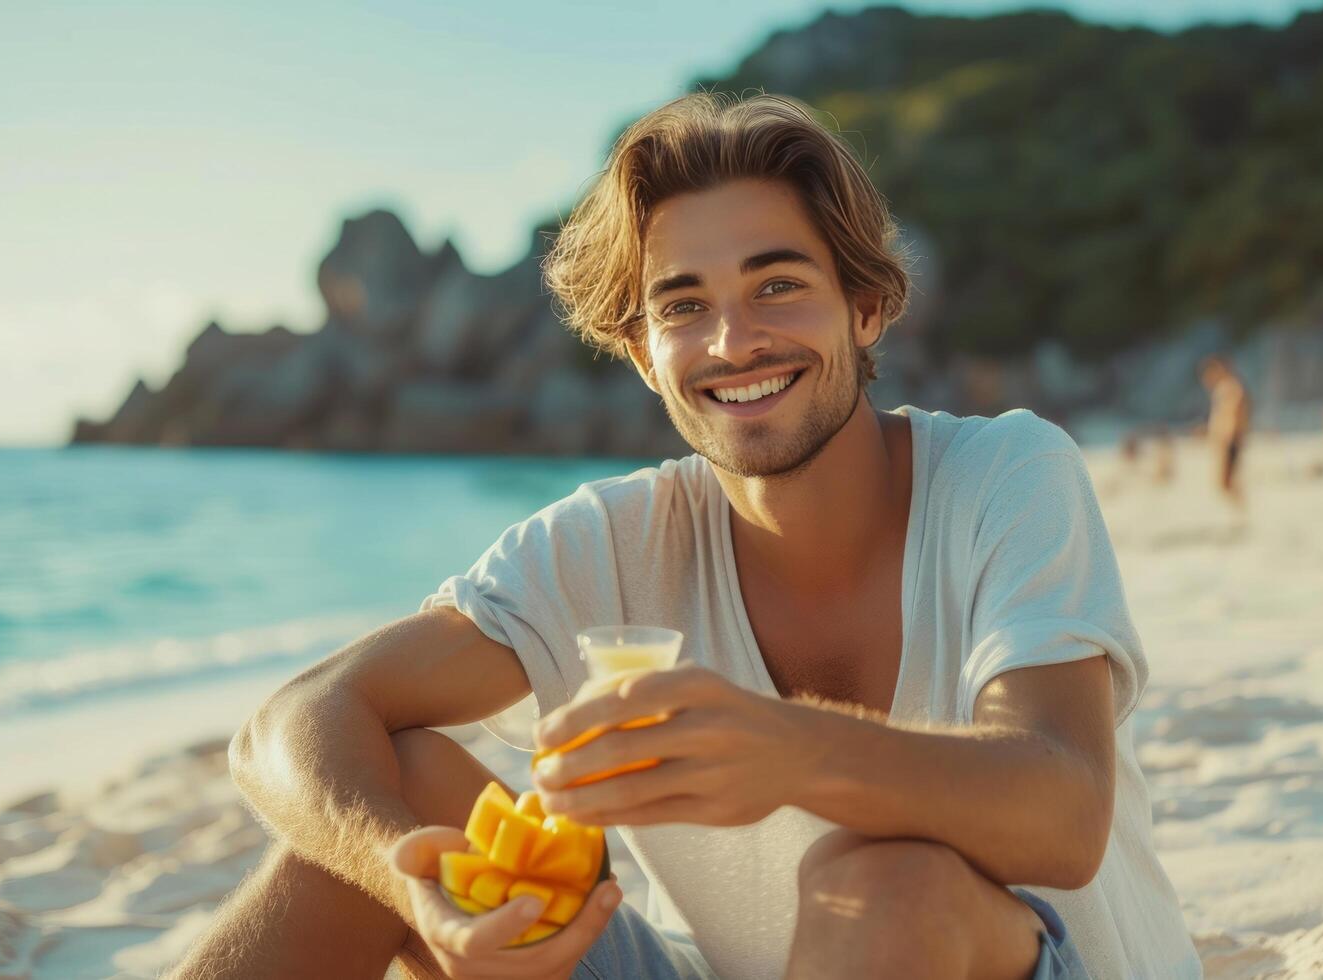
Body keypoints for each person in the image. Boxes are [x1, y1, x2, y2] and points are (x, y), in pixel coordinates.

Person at [172, 93, 1199, 980]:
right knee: (386, 806)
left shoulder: (1006, 474)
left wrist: (787, 749)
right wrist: (415, 874)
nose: (732, 339)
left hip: (1017, 956)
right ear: (641, 353)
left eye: (779, 285)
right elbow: (288, 722)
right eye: (684, 305)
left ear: (868, 305)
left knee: (885, 876)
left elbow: (1064, 808)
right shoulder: (611, 541)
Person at [1198, 356, 1251, 505]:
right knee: (1225, 482)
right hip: (1227, 438)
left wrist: (1229, 435)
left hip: (1230, 439)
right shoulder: (1224, 388)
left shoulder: (1231, 387)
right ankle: (1239, 511)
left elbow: (1235, 414)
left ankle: (1240, 511)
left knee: (1226, 482)